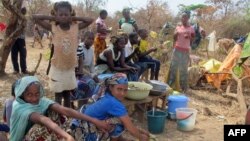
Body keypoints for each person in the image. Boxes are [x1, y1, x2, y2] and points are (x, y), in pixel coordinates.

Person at [9, 76, 110, 141]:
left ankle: (67, 134)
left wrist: (94, 120)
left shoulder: (41, 100)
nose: (34, 98)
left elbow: (64, 110)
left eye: (37, 94)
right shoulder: (19, 106)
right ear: (21, 94)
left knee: (56, 111)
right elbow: (43, 120)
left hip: (47, 131)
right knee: (40, 128)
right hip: (22, 138)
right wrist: (66, 136)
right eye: (29, 95)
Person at [32, 1, 94, 107]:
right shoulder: (53, 27)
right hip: (58, 67)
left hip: (70, 68)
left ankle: (67, 115)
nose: (63, 17)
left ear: (70, 15)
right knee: (58, 94)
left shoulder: (75, 27)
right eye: (60, 15)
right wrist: (54, 18)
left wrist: (74, 18)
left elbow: (90, 20)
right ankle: (58, 116)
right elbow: (35, 17)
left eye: (66, 14)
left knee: (67, 94)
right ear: (56, 15)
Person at [71, 73, 149, 141]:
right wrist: (141, 137)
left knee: (119, 119)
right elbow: (129, 127)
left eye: (125, 90)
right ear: (111, 88)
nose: (122, 93)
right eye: (119, 89)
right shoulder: (114, 103)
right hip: (84, 132)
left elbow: (127, 122)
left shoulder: (105, 95)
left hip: (78, 124)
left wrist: (139, 130)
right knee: (118, 123)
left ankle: (119, 139)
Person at [167, 12, 195, 92]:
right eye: (182, 17)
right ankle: (170, 85)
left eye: (185, 17)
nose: (183, 19)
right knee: (173, 67)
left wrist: (189, 37)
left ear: (188, 18)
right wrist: (175, 34)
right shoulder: (178, 27)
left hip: (185, 51)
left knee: (183, 70)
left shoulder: (191, 28)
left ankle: (184, 88)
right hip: (177, 50)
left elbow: (193, 40)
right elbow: (174, 38)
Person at [72, 31, 98, 102]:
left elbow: (92, 65)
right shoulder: (79, 47)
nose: (91, 41)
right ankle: (83, 101)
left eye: (93, 39)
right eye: (89, 38)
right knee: (91, 82)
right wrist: (91, 75)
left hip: (87, 72)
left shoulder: (91, 50)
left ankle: (87, 101)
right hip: (78, 72)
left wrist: (94, 74)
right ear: (84, 38)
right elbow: (78, 65)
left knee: (98, 81)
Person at [11, 7, 29, 74]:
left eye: (25, 11)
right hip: (14, 39)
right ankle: (16, 70)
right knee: (14, 55)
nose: (24, 12)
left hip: (21, 39)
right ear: (20, 11)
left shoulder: (25, 19)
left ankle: (24, 70)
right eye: (23, 10)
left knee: (23, 54)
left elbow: (22, 28)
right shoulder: (15, 18)